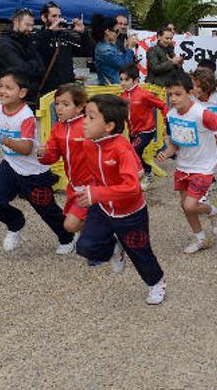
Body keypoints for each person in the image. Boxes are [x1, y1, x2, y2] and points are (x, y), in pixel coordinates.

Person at [74, 94, 167, 304]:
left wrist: (96, 193)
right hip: (104, 208)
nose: (84, 121)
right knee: (86, 247)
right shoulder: (89, 144)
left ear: (109, 126)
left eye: (90, 117)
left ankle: (156, 282)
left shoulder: (121, 147)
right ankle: (116, 248)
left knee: (140, 252)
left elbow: (132, 187)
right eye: (84, 115)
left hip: (130, 213)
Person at [0, 70, 76, 254]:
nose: (2, 90)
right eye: (0, 86)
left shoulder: (26, 116)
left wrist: (3, 139)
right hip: (9, 165)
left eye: (9, 87)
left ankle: (67, 238)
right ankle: (15, 222)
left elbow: (26, 148)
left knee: (46, 209)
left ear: (22, 93)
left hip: (34, 173)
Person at [156, 72, 217, 254]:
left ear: (190, 93)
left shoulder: (201, 113)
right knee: (185, 206)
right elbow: (175, 142)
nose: (173, 99)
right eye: (170, 95)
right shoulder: (171, 115)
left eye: (178, 94)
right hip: (183, 166)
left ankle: (212, 210)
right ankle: (201, 238)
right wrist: (166, 153)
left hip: (203, 167)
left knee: (191, 205)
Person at [37, 84, 93, 235]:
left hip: (94, 185)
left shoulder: (89, 125)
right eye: (56, 104)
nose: (59, 108)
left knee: (71, 225)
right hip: (74, 185)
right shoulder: (57, 128)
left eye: (65, 104)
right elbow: (52, 157)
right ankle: (104, 235)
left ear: (80, 107)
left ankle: (104, 237)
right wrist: (43, 154)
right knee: (72, 224)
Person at [120, 63, 167, 191]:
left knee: (133, 152)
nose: (123, 83)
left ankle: (145, 175)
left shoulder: (144, 94)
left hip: (146, 130)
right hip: (133, 132)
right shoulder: (122, 96)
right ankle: (147, 172)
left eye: (126, 80)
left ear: (135, 80)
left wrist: (167, 121)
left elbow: (162, 105)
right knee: (136, 154)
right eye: (121, 79)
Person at [34, 1, 93, 95]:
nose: (58, 20)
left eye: (59, 16)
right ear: (44, 18)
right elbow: (37, 50)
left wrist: (83, 33)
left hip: (67, 89)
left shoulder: (66, 36)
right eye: (54, 16)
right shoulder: (38, 36)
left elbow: (88, 54)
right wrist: (50, 31)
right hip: (47, 90)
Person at [0, 8, 46, 106]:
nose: (30, 29)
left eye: (32, 25)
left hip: (30, 97)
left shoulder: (28, 42)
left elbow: (42, 68)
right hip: (12, 98)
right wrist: (33, 65)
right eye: (27, 25)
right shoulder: (6, 45)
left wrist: (30, 65)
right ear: (16, 22)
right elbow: (21, 70)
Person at [92, 14, 137, 85]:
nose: (117, 34)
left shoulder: (108, 46)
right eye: (116, 31)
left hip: (115, 85)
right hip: (112, 87)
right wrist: (130, 48)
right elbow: (125, 66)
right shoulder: (105, 50)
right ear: (107, 31)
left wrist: (126, 49)